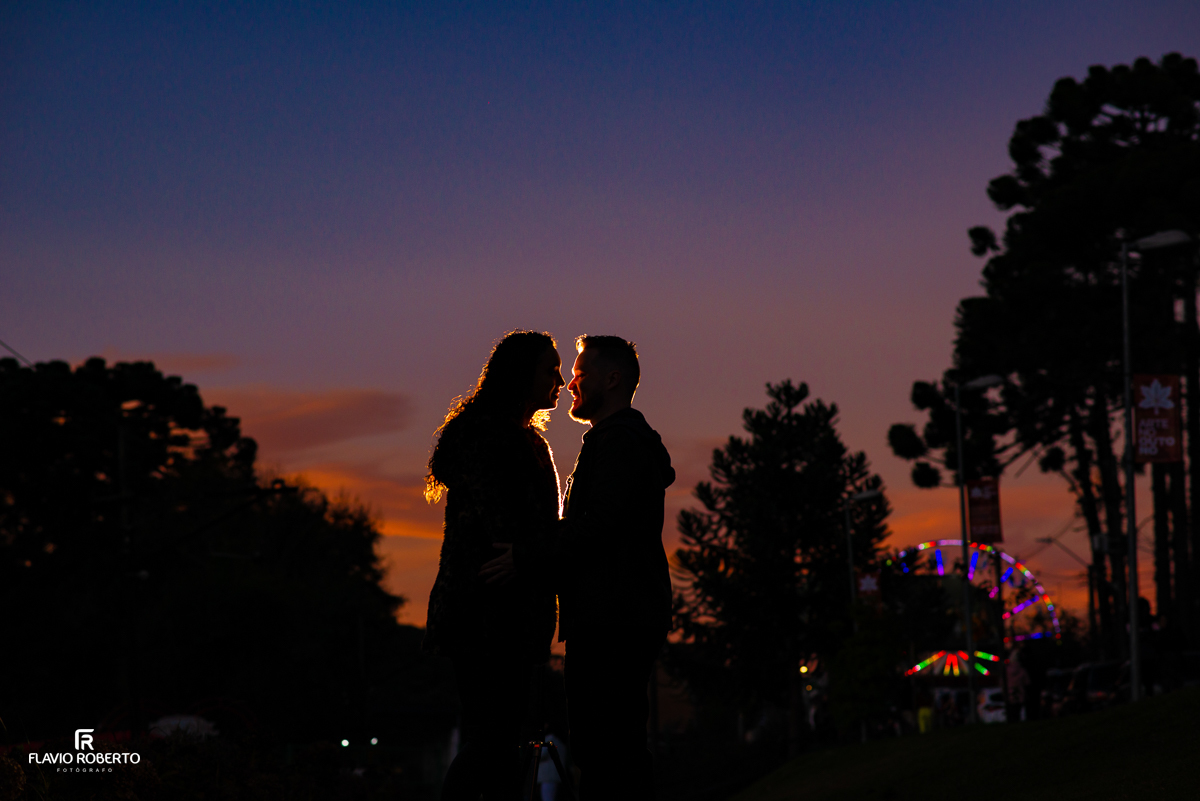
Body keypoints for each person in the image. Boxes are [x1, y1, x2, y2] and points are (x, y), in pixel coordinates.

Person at [512, 335, 674, 801]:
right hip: (616, 612)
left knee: (608, 749)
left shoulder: (620, 444)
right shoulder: (615, 441)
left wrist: (527, 556)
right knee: (611, 746)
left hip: (613, 617)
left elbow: (598, 525)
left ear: (613, 379)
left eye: (580, 376)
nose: (570, 385)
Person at [424, 330, 566, 801]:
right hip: (486, 615)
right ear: (521, 374)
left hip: (511, 616)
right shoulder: (487, 437)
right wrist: (531, 555)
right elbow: (506, 524)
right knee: (493, 743)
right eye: (551, 369)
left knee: (505, 743)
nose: (561, 381)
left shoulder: (519, 439)